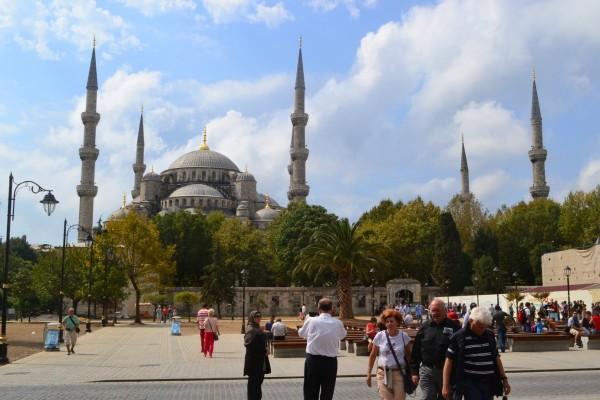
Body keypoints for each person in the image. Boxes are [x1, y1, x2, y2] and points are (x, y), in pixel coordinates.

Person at [442, 307, 511, 400]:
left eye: (485, 326)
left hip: (489, 381)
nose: (482, 329)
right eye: (480, 326)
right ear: (470, 321)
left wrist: (504, 379)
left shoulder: (489, 335)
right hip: (471, 382)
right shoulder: (459, 337)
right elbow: (448, 361)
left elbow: (496, 358)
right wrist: (445, 385)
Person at [298, 297, 347, 400]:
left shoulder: (311, 321)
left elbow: (301, 334)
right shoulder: (338, 323)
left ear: (318, 308)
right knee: (327, 393)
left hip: (313, 361)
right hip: (330, 362)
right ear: (332, 309)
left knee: (310, 392)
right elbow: (342, 335)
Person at [409, 299, 459, 400]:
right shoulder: (424, 327)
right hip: (427, 371)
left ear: (445, 311)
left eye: (438, 310)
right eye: (433, 311)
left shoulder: (454, 328)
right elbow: (416, 351)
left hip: (447, 373)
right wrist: (414, 372)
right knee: (427, 397)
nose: (435, 313)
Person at [366, 309, 412, 400]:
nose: (389, 324)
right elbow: (373, 354)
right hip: (383, 373)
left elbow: (409, 355)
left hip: (399, 373)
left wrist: (412, 373)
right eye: (387, 321)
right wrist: (369, 373)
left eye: (392, 321)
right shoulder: (380, 336)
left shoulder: (404, 336)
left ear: (397, 322)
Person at [244, 310, 271, 400]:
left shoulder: (256, 327)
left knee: (258, 385)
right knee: (253, 386)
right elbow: (248, 344)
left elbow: (260, 340)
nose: (259, 318)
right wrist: (264, 350)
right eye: (256, 317)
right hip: (254, 363)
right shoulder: (251, 328)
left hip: (260, 361)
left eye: (260, 316)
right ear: (252, 318)